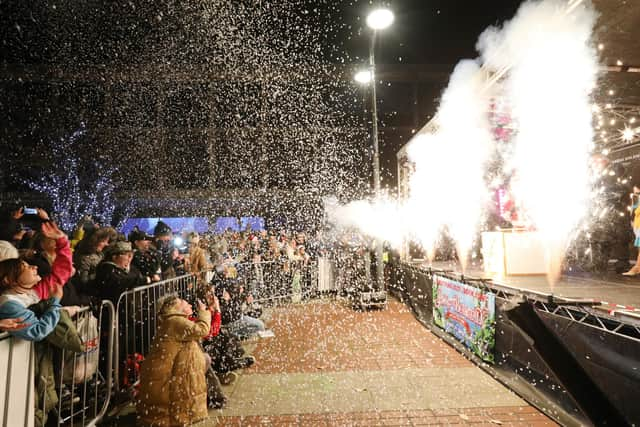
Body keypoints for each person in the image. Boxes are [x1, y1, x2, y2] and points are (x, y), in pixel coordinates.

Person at [137, 296, 211, 427]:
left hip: (163, 382)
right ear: (175, 307)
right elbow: (202, 330)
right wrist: (203, 312)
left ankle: (213, 398)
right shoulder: (174, 321)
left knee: (201, 356)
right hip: (164, 386)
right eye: (184, 302)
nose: (188, 304)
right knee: (202, 356)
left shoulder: (171, 322)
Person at [623, 186, 640, 276]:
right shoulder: (636, 201)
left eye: (637, 193)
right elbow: (633, 213)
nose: (635, 194)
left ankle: (636, 268)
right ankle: (637, 268)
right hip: (637, 226)